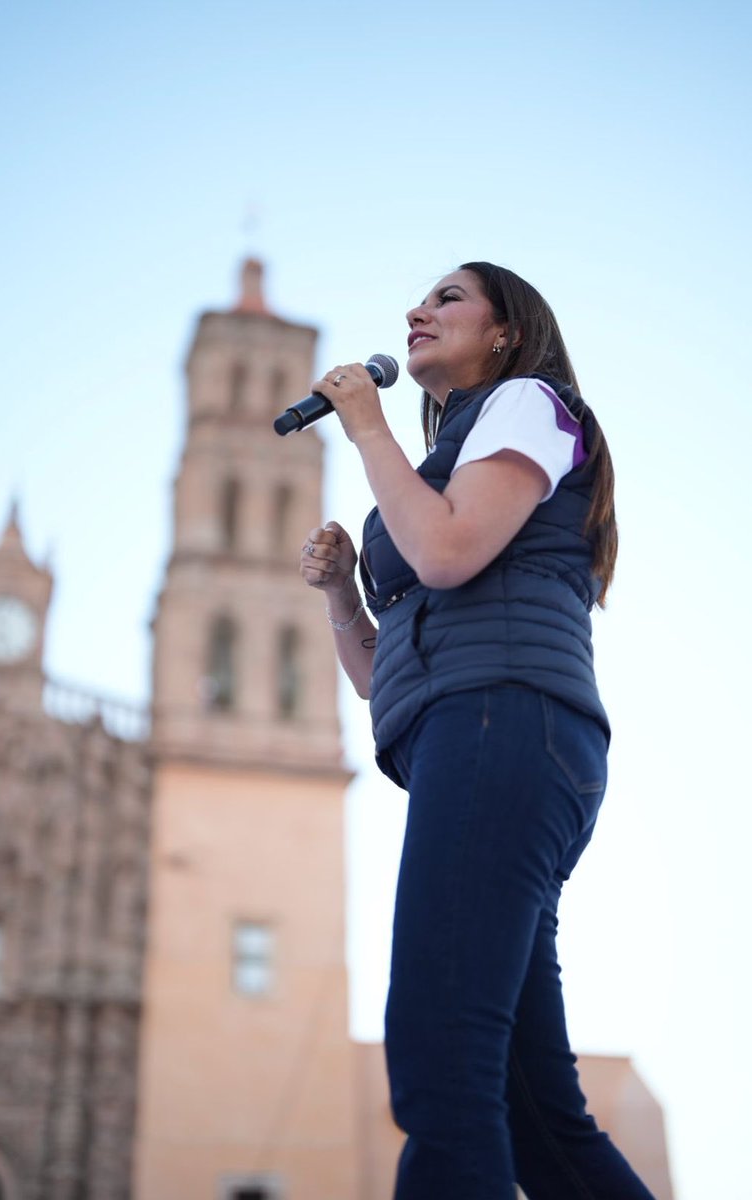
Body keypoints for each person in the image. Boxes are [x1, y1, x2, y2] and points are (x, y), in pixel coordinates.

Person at [299, 262, 655, 1200]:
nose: (416, 310)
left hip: (505, 725)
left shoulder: (529, 403)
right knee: (534, 1112)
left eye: (446, 297)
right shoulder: (448, 459)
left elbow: (448, 551)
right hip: (479, 735)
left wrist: (365, 426)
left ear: (506, 332)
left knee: (440, 1052)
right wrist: (342, 596)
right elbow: (383, 682)